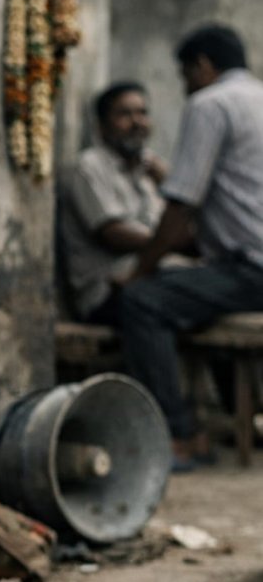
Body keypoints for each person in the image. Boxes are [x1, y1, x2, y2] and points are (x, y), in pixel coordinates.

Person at [121, 24, 263, 467]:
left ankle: (181, 436)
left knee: (143, 302)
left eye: (185, 76)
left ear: (203, 66)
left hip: (251, 267)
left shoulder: (210, 103)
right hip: (244, 262)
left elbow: (181, 203)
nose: (185, 87)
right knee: (196, 296)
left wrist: (141, 270)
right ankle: (243, 417)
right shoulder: (258, 98)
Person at [58, 81, 170, 325]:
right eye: (125, 114)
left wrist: (168, 184)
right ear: (102, 127)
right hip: (105, 294)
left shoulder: (149, 170)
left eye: (142, 113)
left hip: (146, 281)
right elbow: (112, 234)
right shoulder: (89, 167)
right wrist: (169, 243)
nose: (137, 122)